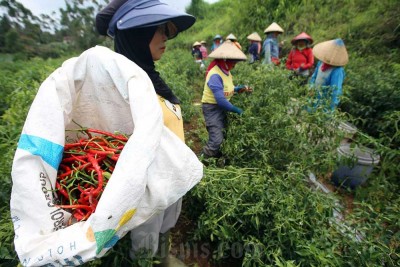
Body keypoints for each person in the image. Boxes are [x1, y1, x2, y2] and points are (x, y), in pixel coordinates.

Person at [96, 0, 196, 263]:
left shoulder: (149, 77)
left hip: (170, 178)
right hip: (147, 188)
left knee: (164, 227)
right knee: (145, 240)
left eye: (167, 30)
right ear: (136, 34)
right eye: (158, 29)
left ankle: (162, 258)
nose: (165, 37)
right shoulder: (125, 88)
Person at [201, 40, 252, 159]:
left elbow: (227, 88)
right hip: (212, 108)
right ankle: (200, 163)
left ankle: (217, 157)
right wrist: (238, 110)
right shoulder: (215, 75)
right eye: (233, 62)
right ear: (224, 60)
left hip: (221, 107)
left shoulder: (227, 72)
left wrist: (239, 89)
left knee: (224, 134)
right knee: (216, 141)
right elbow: (221, 101)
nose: (234, 64)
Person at [308, 38, 348, 112]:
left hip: (325, 103)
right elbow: (314, 77)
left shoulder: (337, 71)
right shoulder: (321, 63)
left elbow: (336, 91)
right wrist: (311, 88)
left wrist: (330, 108)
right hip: (313, 98)